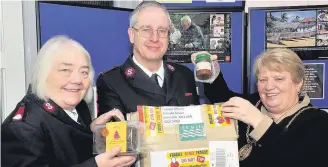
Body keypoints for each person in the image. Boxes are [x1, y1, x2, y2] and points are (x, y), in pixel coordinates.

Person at [1, 36, 136, 167]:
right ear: (43, 73)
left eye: (84, 72)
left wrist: (94, 132)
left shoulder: (78, 105)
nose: (77, 80)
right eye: (65, 70)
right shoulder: (23, 128)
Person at [195, 48, 328, 167]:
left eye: (279, 79)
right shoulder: (253, 103)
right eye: (263, 80)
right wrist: (210, 73)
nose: (269, 86)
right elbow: (223, 98)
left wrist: (260, 123)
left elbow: (294, 159)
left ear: (298, 84)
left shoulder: (318, 122)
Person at [96, 1, 199, 117]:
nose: (155, 38)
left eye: (162, 31)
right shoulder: (111, 82)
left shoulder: (184, 75)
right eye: (146, 30)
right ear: (132, 35)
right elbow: (114, 132)